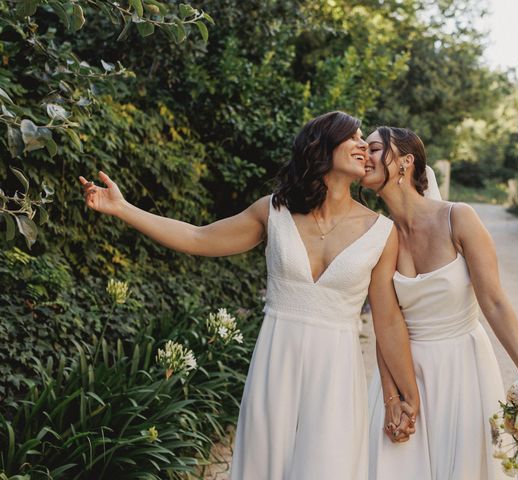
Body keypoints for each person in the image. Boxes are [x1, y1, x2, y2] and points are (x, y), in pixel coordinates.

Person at [79, 112, 420, 480]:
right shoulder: (273, 211)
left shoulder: (381, 232)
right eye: (351, 137)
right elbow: (198, 238)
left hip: (336, 373)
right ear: (321, 146)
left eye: (363, 140)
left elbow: (387, 320)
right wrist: (122, 208)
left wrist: (405, 395)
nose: (362, 147)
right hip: (276, 364)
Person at [362, 127, 518, 480]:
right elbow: (385, 325)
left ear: (406, 161)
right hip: (406, 370)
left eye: (375, 148)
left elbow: (495, 302)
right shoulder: (379, 237)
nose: (365, 155)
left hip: (463, 369)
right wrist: (391, 397)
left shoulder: (459, 217)